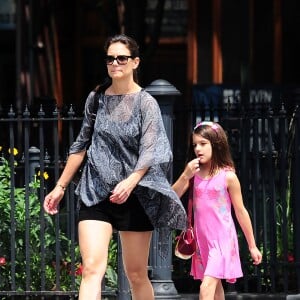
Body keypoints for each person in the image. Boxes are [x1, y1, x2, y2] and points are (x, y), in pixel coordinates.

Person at [43, 34, 187, 300]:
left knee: (136, 274)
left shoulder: (147, 103)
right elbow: (80, 144)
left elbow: (152, 150)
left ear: (135, 62)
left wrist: (131, 181)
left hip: (135, 196)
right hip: (95, 192)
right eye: (110, 58)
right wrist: (60, 186)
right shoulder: (96, 98)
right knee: (91, 270)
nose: (115, 63)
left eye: (121, 58)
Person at [172, 121, 262, 300]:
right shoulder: (193, 174)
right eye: (195, 144)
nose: (198, 149)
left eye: (203, 144)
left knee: (207, 287)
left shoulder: (228, 177)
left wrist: (252, 245)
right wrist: (185, 175)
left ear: (217, 144)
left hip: (222, 241)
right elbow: (172, 196)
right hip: (202, 240)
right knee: (216, 289)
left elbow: (241, 212)